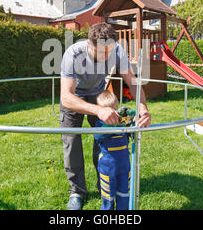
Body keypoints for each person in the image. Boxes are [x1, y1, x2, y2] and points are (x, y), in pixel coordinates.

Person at [60, 22, 151, 210]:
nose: (106, 57)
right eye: (101, 53)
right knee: (71, 142)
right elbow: (66, 97)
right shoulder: (73, 54)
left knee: (106, 137)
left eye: (109, 53)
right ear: (88, 44)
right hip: (75, 96)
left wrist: (143, 107)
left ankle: (104, 180)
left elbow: (133, 83)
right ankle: (77, 191)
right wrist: (98, 110)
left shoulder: (117, 50)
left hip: (98, 94)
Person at [94, 90, 131, 210]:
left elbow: (130, 134)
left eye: (114, 110)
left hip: (124, 164)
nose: (112, 115)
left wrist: (131, 120)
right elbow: (98, 137)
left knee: (124, 191)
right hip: (107, 166)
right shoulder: (100, 125)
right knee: (108, 193)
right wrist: (110, 125)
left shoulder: (122, 122)